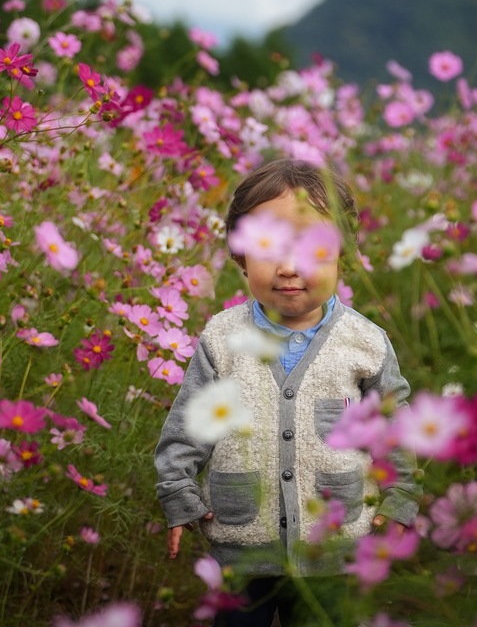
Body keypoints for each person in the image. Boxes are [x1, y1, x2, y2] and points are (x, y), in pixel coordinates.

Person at [154, 159, 420, 626]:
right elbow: (188, 426)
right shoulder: (221, 338)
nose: (289, 267)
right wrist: (178, 491)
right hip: (242, 541)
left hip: (333, 544)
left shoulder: (365, 342)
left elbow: (397, 429)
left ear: (342, 254)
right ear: (240, 256)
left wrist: (400, 496)